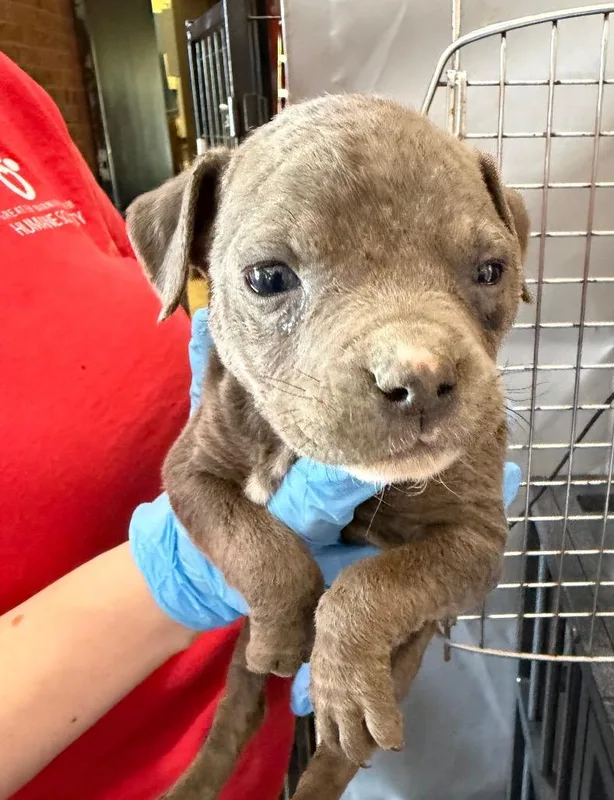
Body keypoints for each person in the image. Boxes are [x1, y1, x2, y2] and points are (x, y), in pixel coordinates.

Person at [0, 52, 521, 800]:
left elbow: (469, 551)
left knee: (352, 709)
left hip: (253, 729)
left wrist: (371, 607)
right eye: (272, 279)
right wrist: (172, 579)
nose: (421, 361)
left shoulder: (14, 94)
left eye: (487, 272)